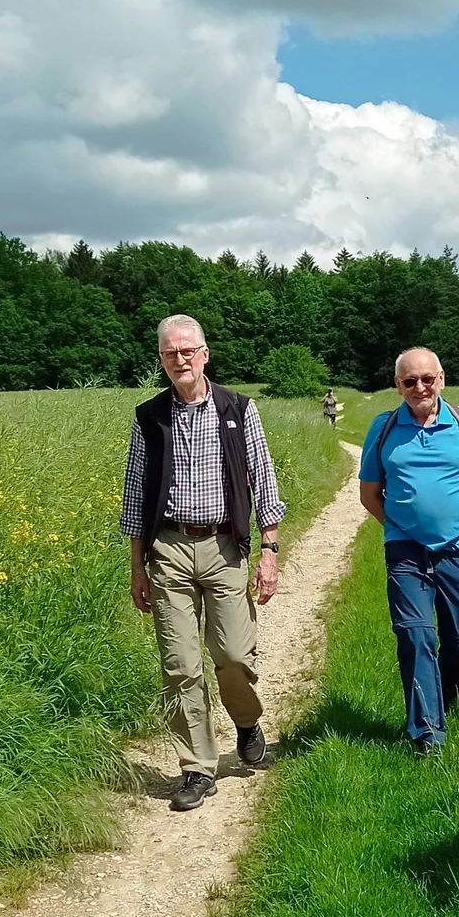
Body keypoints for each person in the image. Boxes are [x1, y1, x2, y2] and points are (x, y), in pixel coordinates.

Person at [120, 314, 286, 812]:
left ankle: (246, 719)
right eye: (171, 352)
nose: (181, 359)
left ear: (205, 353)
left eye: (188, 350)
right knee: (179, 665)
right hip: (168, 549)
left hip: (225, 547)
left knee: (233, 653)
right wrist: (136, 568)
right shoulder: (149, 417)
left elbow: (263, 476)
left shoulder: (238, 408)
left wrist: (269, 549)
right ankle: (197, 767)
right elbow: (134, 496)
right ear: (162, 360)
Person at [358, 348, 459, 754]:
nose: (420, 387)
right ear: (397, 386)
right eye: (409, 381)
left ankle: (443, 699)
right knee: (415, 636)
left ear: (441, 379)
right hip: (405, 552)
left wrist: (458, 525)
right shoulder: (383, 429)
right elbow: (369, 495)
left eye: (427, 379)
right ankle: (427, 734)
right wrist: (401, 529)